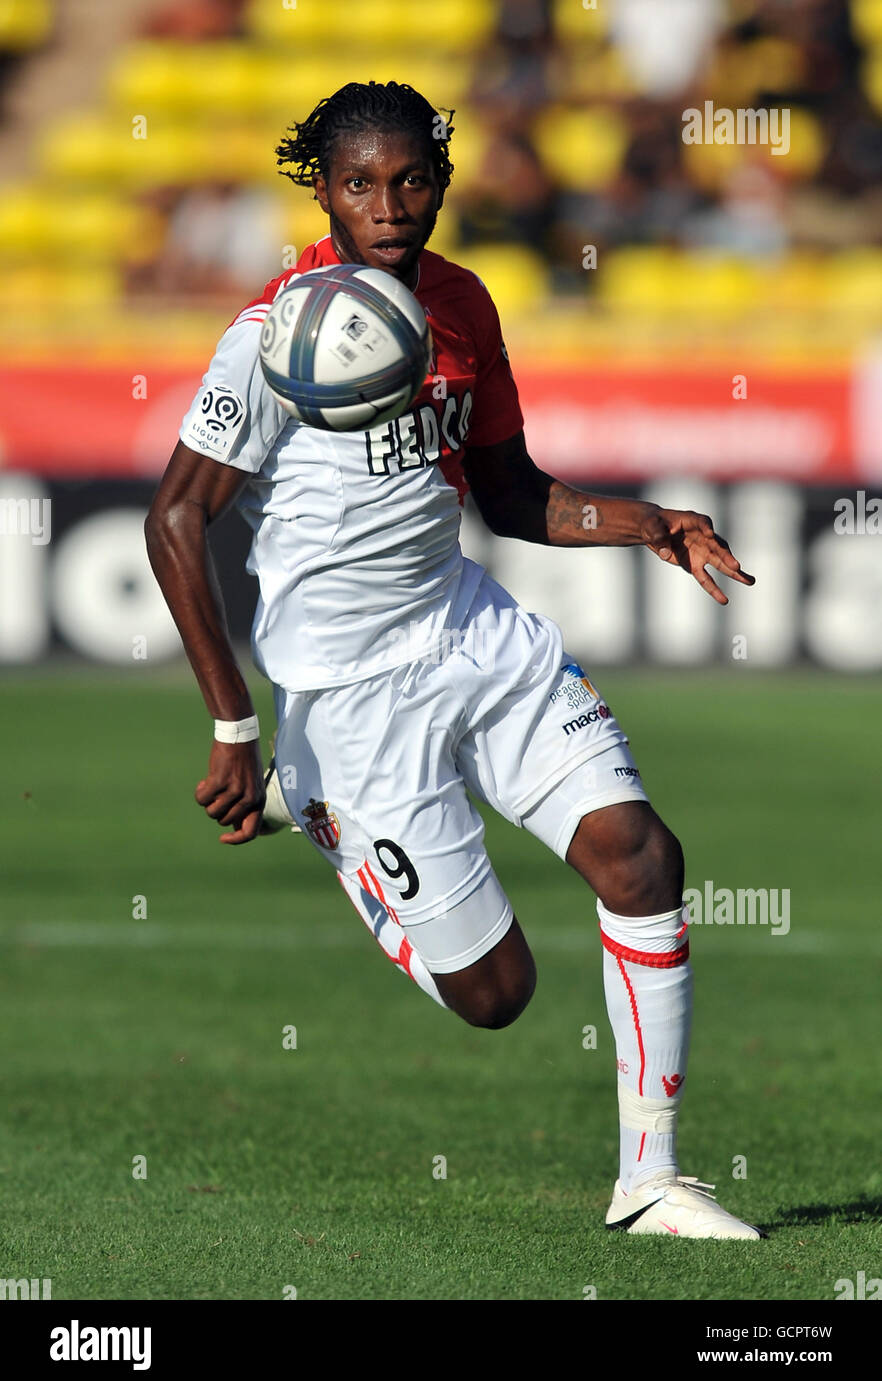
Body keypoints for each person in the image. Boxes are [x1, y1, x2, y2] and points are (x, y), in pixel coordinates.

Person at [145, 81, 759, 1240]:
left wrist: (649, 521)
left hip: (473, 635)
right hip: (353, 697)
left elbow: (511, 491)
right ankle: (313, 796)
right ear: (321, 190)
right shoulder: (274, 332)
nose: (388, 204)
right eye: (359, 183)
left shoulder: (465, 304)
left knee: (642, 855)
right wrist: (234, 723)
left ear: (442, 182)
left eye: (410, 179)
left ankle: (650, 1181)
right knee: (498, 995)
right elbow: (176, 518)